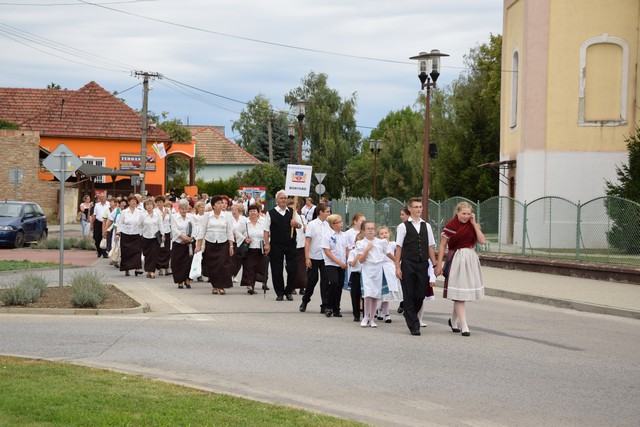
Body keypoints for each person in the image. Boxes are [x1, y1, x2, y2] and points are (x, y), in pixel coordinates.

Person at [435, 201, 486, 337]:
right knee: (459, 295)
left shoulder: (472, 225)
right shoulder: (450, 226)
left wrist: (474, 224)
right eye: (463, 213)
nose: (466, 216)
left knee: (461, 293)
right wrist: (439, 264)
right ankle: (464, 325)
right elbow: (442, 246)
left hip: (470, 259)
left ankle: (453, 320)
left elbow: (482, 241)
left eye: (469, 214)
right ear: (457, 212)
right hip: (456, 259)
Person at [394, 198, 437, 336]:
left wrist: (435, 264)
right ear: (410, 208)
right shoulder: (403, 226)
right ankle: (414, 325)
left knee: (420, 293)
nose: (419, 209)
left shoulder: (427, 226)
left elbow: (430, 247)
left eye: (420, 207)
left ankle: (409, 312)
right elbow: (399, 248)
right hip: (408, 262)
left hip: (422, 263)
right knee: (408, 293)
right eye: (416, 207)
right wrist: (397, 267)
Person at [263, 190, 302, 301]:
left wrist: (296, 224)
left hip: (290, 243)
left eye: (285, 198)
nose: (284, 200)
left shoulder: (292, 212)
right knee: (277, 269)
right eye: (281, 198)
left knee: (293, 268)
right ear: (277, 200)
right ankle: (279, 293)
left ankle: (288, 290)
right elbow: (266, 230)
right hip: (276, 244)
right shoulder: (270, 213)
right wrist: (267, 244)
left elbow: (300, 226)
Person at [195, 195, 234, 295]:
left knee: (222, 264)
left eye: (222, 203)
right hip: (210, 242)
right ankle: (215, 286)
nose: (221, 205)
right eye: (218, 203)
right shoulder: (207, 216)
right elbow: (202, 231)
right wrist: (198, 245)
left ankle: (222, 286)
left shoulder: (227, 216)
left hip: (223, 242)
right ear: (213, 206)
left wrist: (231, 246)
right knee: (212, 265)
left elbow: (229, 231)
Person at [300, 202, 331, 313]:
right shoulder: (312, 225)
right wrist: (307, 257)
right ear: (320, 212)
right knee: (312, 280)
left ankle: (325, 305)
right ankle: (305, 300)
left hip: (326, 257)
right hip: (314, 256)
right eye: (327, 211)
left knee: (325, 281)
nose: (329, 213)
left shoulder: (329, 225)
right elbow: (308, 241)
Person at [357, 220, 388, 328]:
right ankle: (366, 316)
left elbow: (387, 253)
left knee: (375, 294)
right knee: (368, 294)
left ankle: (372, 319)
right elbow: (361, 260)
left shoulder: (381, 242)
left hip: (378, 268)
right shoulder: (360, 243)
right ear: (363, 231)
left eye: (372, 228)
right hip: (367, 268)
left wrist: (396, 261)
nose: (370, 230)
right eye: (368, 228)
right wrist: (366, 250)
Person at [321, 214, 348, 317]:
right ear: (333, 224)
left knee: (339, 286)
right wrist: (338, 262)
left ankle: (336, 308)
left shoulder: (344, 235)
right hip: (331, 263)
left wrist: (348, 260)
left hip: (342, 264)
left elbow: (347, 249)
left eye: (341, 221)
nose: (341, 224)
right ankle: (328, 306)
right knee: (334, 282)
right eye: (339, 222)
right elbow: (327, 251)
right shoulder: (327, 235)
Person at [236, 204, 266, 294]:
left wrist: (267, 243)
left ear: (258, 212)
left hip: (260, 248)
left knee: (257, 267)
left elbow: (267, 233)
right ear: (248, 213)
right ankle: (250, 285)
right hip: (249, 249)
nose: (252, 213)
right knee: (249, 267)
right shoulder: (245, 223)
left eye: (254, 211)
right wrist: (245, 238)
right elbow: (237, 232)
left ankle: (253, 284)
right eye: (251, 211)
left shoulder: (262, 223)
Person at [376, 226, 402, 324]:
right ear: (378, 236)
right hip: (381, 269)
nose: (384, 235)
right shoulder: (378, 244)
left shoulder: (392, 244)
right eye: (381, 234)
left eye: (386, 233)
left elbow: (400, 246)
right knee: (384, 293)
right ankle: (386, 314)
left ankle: (380, 310)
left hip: (390, 269)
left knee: (387, 293)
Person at [170, 199, 196, 289]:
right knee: (177, 262)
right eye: (182, 209)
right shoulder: (174, 217)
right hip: (178, 242)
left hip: (189, 243)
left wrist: (191, 237)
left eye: (185, 209)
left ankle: (187, 279)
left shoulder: (191, 217)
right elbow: (174, 229)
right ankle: (179, 280)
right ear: (179, 209)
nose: (184, 211)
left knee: (188, 262)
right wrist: (183, 238)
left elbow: (195, 228)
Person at [115, 196, 143, 277]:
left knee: (137, 251)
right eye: (132, 201)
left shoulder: (140, 212)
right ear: (129, 202)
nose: (134, 202)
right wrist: (118, 233)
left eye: (135, 201)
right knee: (126, 253)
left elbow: (142, 223)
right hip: (126, 234)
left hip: (136, 234)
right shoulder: (124, 212)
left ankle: (137, 268)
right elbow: (120, 223)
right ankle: (126, 269)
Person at [140, 198, 166, 279]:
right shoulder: (142, 215)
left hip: (155, 237)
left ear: (153, 206)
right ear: (145, 206)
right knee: (147, 254)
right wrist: (141, 234)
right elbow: (139, 226)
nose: (149, 206)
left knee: (154, 254)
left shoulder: (157, 214)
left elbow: (160, 225)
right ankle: (148, 270)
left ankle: (152, 271)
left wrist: (162, 234)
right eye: (147, 205)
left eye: (150, 204)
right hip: (146, 237)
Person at [347, 231, 364, 321]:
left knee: (364, 295)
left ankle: (366, 314)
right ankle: (356, 315)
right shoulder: (352, 252)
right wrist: (358, 255)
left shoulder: (367, 251)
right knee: (355, 295)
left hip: (364, 274)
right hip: (355, 274)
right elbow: (352, 264)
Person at [229, 203, 246, 284]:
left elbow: (245, 229)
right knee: (231, 259)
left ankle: (234, 274)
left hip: (241, 241)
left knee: (239, 260)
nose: (233, 211)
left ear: (239, 211)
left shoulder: (244, 219)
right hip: (232, 241)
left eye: (235, 210)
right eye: (232, 210)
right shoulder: (229, 219)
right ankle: (230, 274)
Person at [156, 197, 172, 276]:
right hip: (159, 232)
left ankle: (167, 267)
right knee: (160, 250)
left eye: (161, 202)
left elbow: (171, 220)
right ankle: (160, 268)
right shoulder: (155, 211)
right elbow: (159, 221)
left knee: (167, 250)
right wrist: (164, 213)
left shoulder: (168, 209)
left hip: (167, 231)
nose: (159, 204)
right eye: (158, 202)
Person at [91, 193, 109, 258]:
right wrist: (92, 224)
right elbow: (94, 215)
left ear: (106, 197)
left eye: (103, 197)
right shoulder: (97, 205)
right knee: (96, 238)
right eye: (100, 197)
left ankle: (104, 253)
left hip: (106, 222)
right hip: (98, 222)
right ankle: (99, 251)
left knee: (104, 237)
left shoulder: (108, 204)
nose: (102, 198)